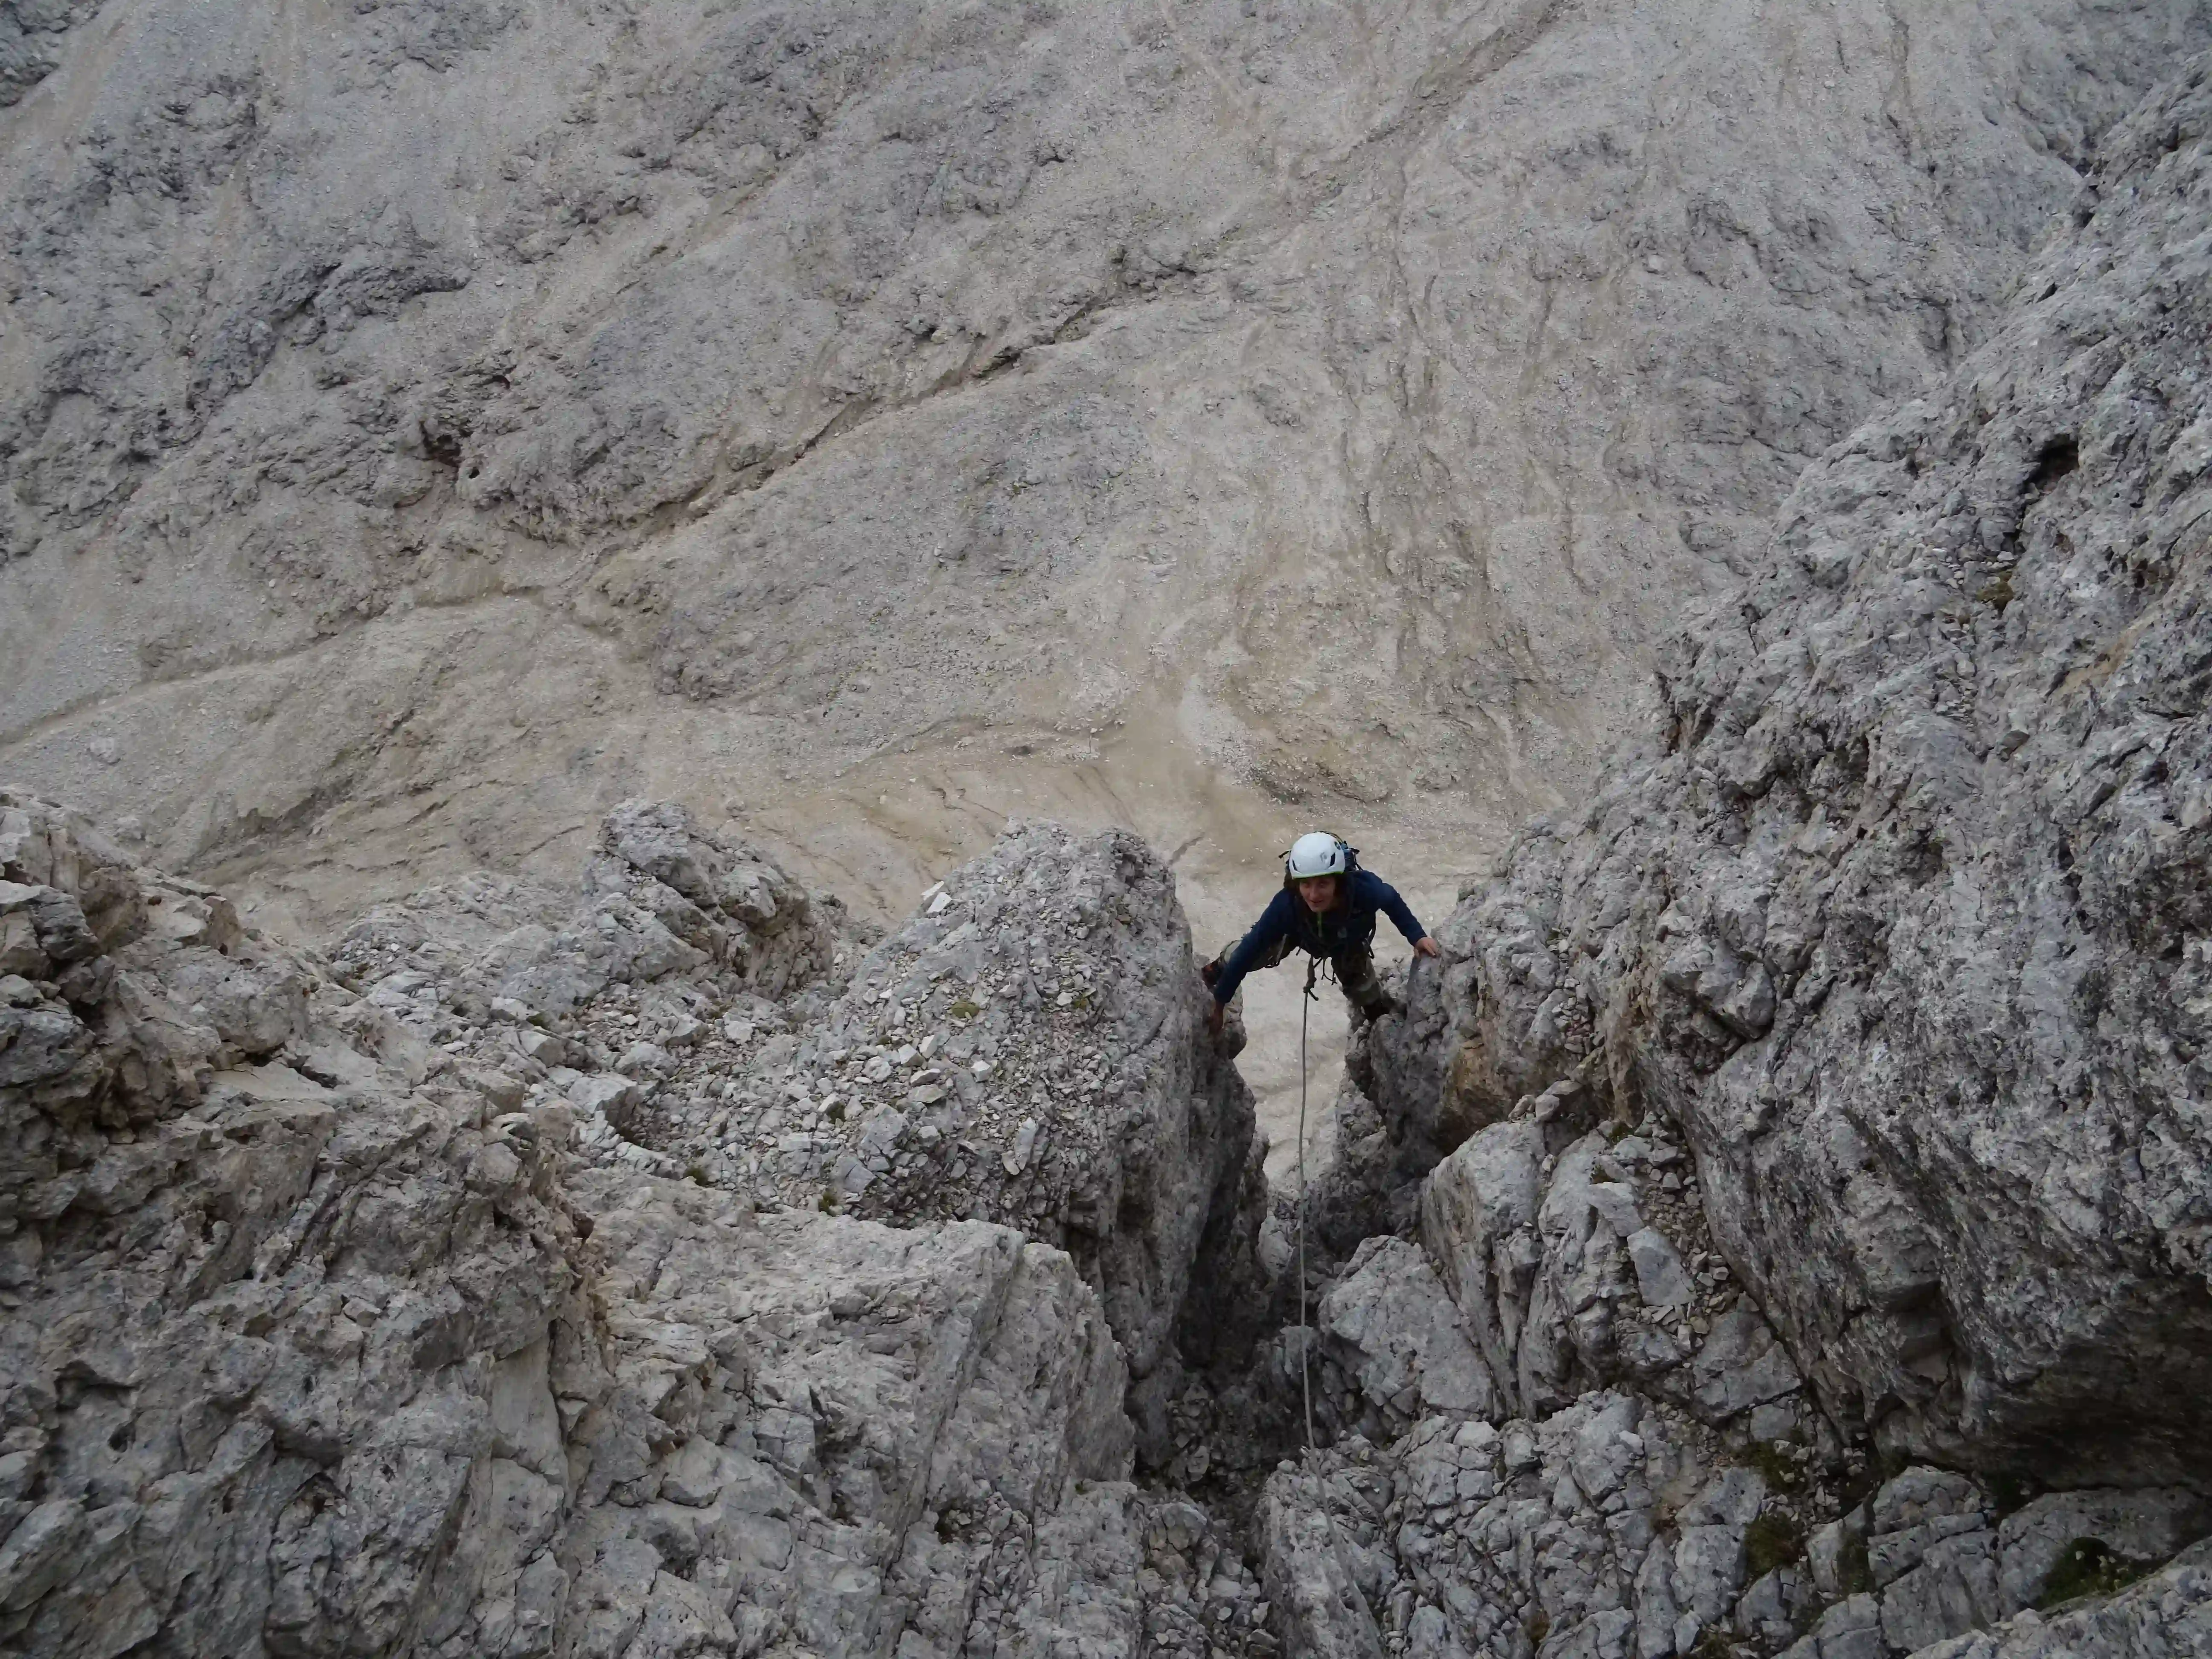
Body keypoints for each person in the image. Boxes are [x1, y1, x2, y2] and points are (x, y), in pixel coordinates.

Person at [1202, 832, 1441, 1032]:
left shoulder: (1364, 890)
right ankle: (1218, 967)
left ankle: (1374, 1010)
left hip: (1346, 940)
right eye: (1306, 885)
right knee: (1244, 954)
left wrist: (1417, 937)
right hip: (1299, 933)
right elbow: (1249, 950)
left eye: (1323, 884)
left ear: (1339, 881)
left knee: (1359, 979)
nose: (1314, 895)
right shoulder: (1287, 906)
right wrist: (1220, 1004)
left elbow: (1393, 903)